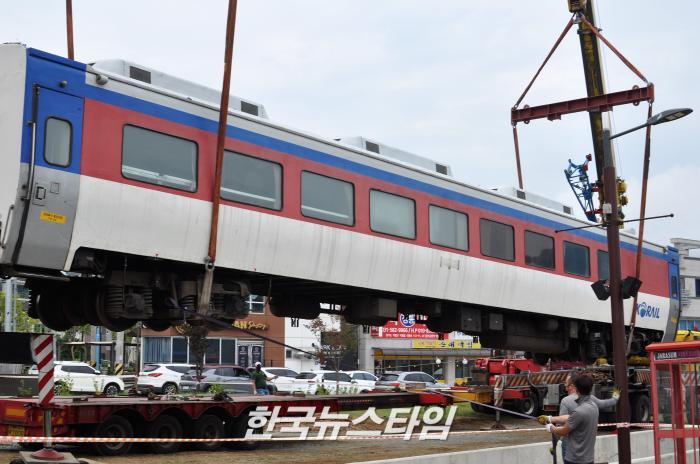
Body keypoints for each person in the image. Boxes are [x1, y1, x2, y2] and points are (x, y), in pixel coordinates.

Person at [539, 374, 619, 463]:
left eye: (567, 385)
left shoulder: (567, 402)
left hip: (572, 451)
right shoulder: (593, 402)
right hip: (588, 455)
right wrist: (616, 396)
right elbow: (606, 403)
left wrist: (553, 442)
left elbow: (563, 428)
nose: (565, 388)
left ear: (574, 387)